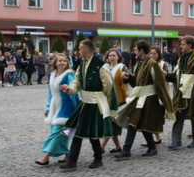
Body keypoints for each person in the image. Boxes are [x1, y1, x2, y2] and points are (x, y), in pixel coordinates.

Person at [60, 39, 117, 170]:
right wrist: (70, 89)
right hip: (84, 103)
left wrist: (100, 97)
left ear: (86, 50)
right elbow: (77, 82)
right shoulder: (82, 64)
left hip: (95, 103)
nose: (78, 51)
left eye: (80, 49)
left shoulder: (101, 65)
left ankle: (96, 158)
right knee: (79, 131)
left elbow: (108, 85)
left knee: (91, 133)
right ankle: (75, 160)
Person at [115, 42, 175, 159]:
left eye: (136, 49)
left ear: (142, 50)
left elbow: (159, 84)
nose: (134, 51)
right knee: (137, 122)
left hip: (149, 98)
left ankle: (128, 149)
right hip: (139, 97)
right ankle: (151, 147)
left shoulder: (152, 64)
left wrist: (166, 102)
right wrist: (129, 78)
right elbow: (137, 83)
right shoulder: (139, 63)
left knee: (135, 122)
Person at [35, 54, 79, 166]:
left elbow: (74, 89)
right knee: (59, 131)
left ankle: (46, 156)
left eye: (64, 61)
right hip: (55, 106)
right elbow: (50, 93)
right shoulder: (52, 75)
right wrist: (48, 107)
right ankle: (67, 154)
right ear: (55, 62)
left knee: (57, 131)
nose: (62, 63)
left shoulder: (69, 75)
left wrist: (70, 90)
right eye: (60, 61)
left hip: (66, 106)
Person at [100, 49, 128, 154]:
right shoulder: (105, 68)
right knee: (111, 123)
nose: (112, 57)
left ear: (118, 57)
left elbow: (126, 82)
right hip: (107, 99)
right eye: (110, 55)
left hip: (118, 99)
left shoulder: (121, 67)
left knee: (112, 123)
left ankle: (101, 147)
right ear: (107, 58)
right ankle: (117, 146)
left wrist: (124, 78)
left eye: (114, 55)